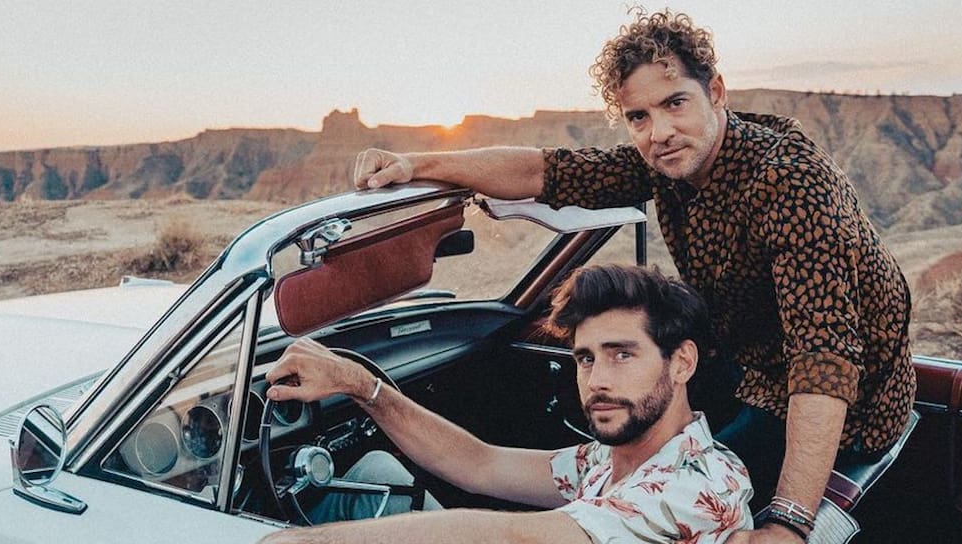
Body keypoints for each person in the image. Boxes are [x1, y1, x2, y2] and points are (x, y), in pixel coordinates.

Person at [350, 8, 916, 543]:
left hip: (850, 404)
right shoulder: (675, 160)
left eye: (675, 103)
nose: (659, 131)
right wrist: (417, 164)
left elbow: (824, 361)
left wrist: (789, 525)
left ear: (716, 93)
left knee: (689, 492)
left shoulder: (789, 184)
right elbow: (549, 172)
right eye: (638, 117)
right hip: (752, 366)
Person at [259, 264, 753, 544]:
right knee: (374, 474)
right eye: (585, 358)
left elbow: (516, 539)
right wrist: (364, 386)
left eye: (622, 354)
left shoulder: (695, 484)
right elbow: (480, 463)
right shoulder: (617, 457)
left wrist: (301, 542)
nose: (598, 380)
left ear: (681, 363)